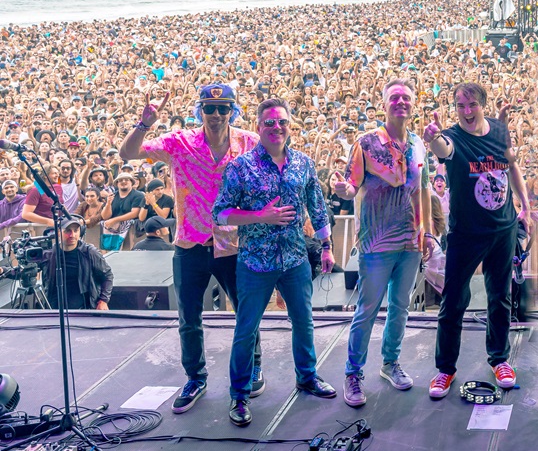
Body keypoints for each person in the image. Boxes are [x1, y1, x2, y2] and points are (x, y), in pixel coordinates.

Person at [119, 84, 264, 415]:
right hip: (190, 243)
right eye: (209, 108)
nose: (216, 115)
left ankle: (254, 366)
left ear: (232, 111)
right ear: (200, 111)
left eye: (223, 108)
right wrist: (144, 124)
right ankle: (195, 378)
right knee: (188, 318)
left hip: (234, 244)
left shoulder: (249, 142)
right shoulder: (179, 142)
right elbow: (128, 154)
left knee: (247, 313)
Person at [214, 98, 337, 427]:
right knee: (246, 329)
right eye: (269, 122)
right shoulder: (240, 167)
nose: (276, 127)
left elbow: (318, 207)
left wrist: (327, 246)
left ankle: (307, 377)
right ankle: (239, 395)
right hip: (255, 263)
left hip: (295, 258)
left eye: (281, 121)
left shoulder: (304, 164)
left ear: (290, 125)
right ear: (258, 127)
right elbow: (220, 214)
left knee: (304, 322)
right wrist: (260, 216)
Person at [423, 82, 531, 399]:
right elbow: (443, 149)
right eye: (460, 106)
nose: (467, 112)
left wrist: (525, 205)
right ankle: (446, 368)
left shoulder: (498, 130)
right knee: (454, 299)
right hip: (466, 233)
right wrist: (433, 139)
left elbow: (511, 166)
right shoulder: (452, 136)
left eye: (472, 105)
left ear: (483, 105)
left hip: (502, 229)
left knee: (500, 297)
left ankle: (500, 359)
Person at [334, 79, 431, 407]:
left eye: (406, 97)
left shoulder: (418, 145)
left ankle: (391, 363)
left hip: (410, 241)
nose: (401, 102)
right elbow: (352, 184)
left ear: (413, 103)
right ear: (384, 103)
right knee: (368, 309)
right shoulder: (366, 143)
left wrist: (427, 232)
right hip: (376, 243)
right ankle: (353, 373)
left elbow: (422, 191)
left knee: (400, 308)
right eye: (394, 97)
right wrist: (344, 190)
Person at [43, 215, 113, 310]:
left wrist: (103, 300)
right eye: (68, 231)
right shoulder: (50, 254)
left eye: (76, 231)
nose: (72, 235)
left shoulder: (89, 252)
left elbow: (107, 275)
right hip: (55, 310)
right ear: (59, 232)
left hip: (83, 309)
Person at [100, 172, 143, 251]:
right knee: (109, 254)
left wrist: (114, 220)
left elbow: (134, 213)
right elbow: (105, 216)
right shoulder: (112, 196)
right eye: (120, 180)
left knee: (126, 254)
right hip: (111, 231)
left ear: (131, 182)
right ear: (117, 184)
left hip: (130, 231)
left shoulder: (138, 195)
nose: (123, 182)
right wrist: (108, 204)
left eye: (126, 180)